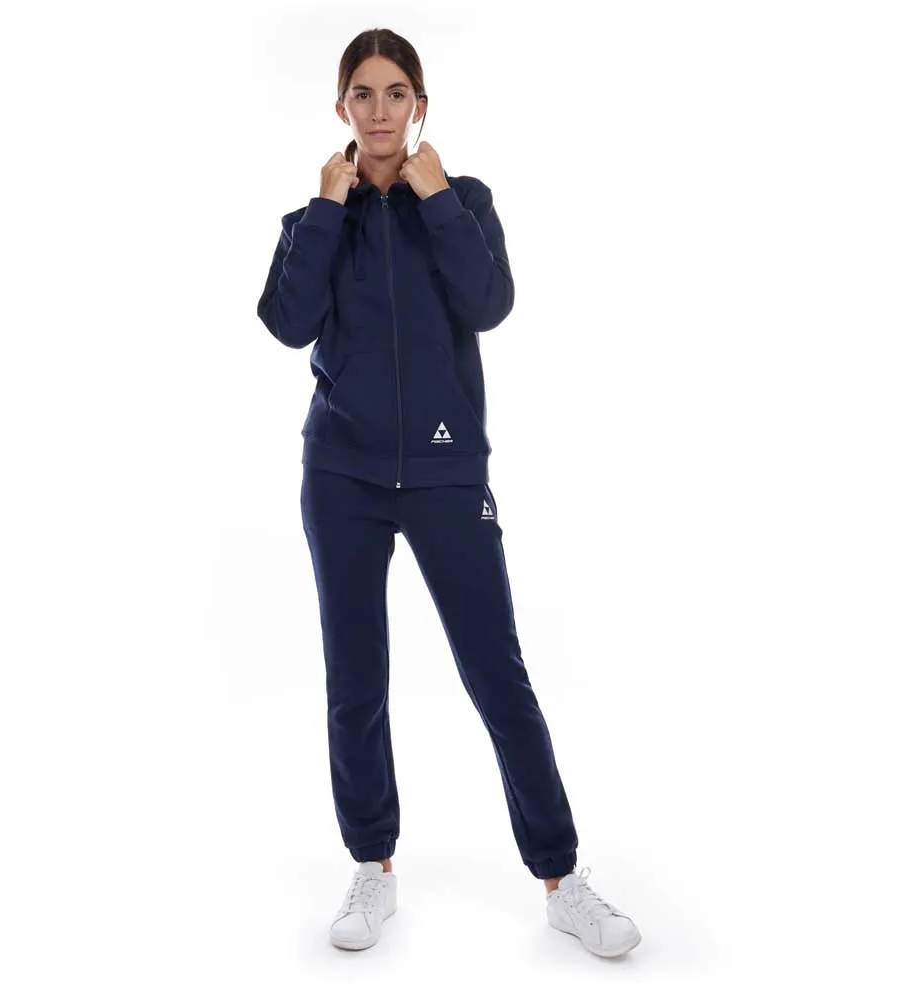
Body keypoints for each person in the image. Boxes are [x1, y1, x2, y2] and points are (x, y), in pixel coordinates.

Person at [256, 27, 641, 958]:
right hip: (340, 475)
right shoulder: (314, 216)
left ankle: (562, 880)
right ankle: (372, 866)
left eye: (396, 93)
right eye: (363, 93)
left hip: (445, 471)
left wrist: (433, 198)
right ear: (340, 107)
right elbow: (287, 322)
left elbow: (488, 303)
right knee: (356, 679)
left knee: (496, 673)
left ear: (420, 105)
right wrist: (327, 206)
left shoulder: (462, 202)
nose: (379, 111)